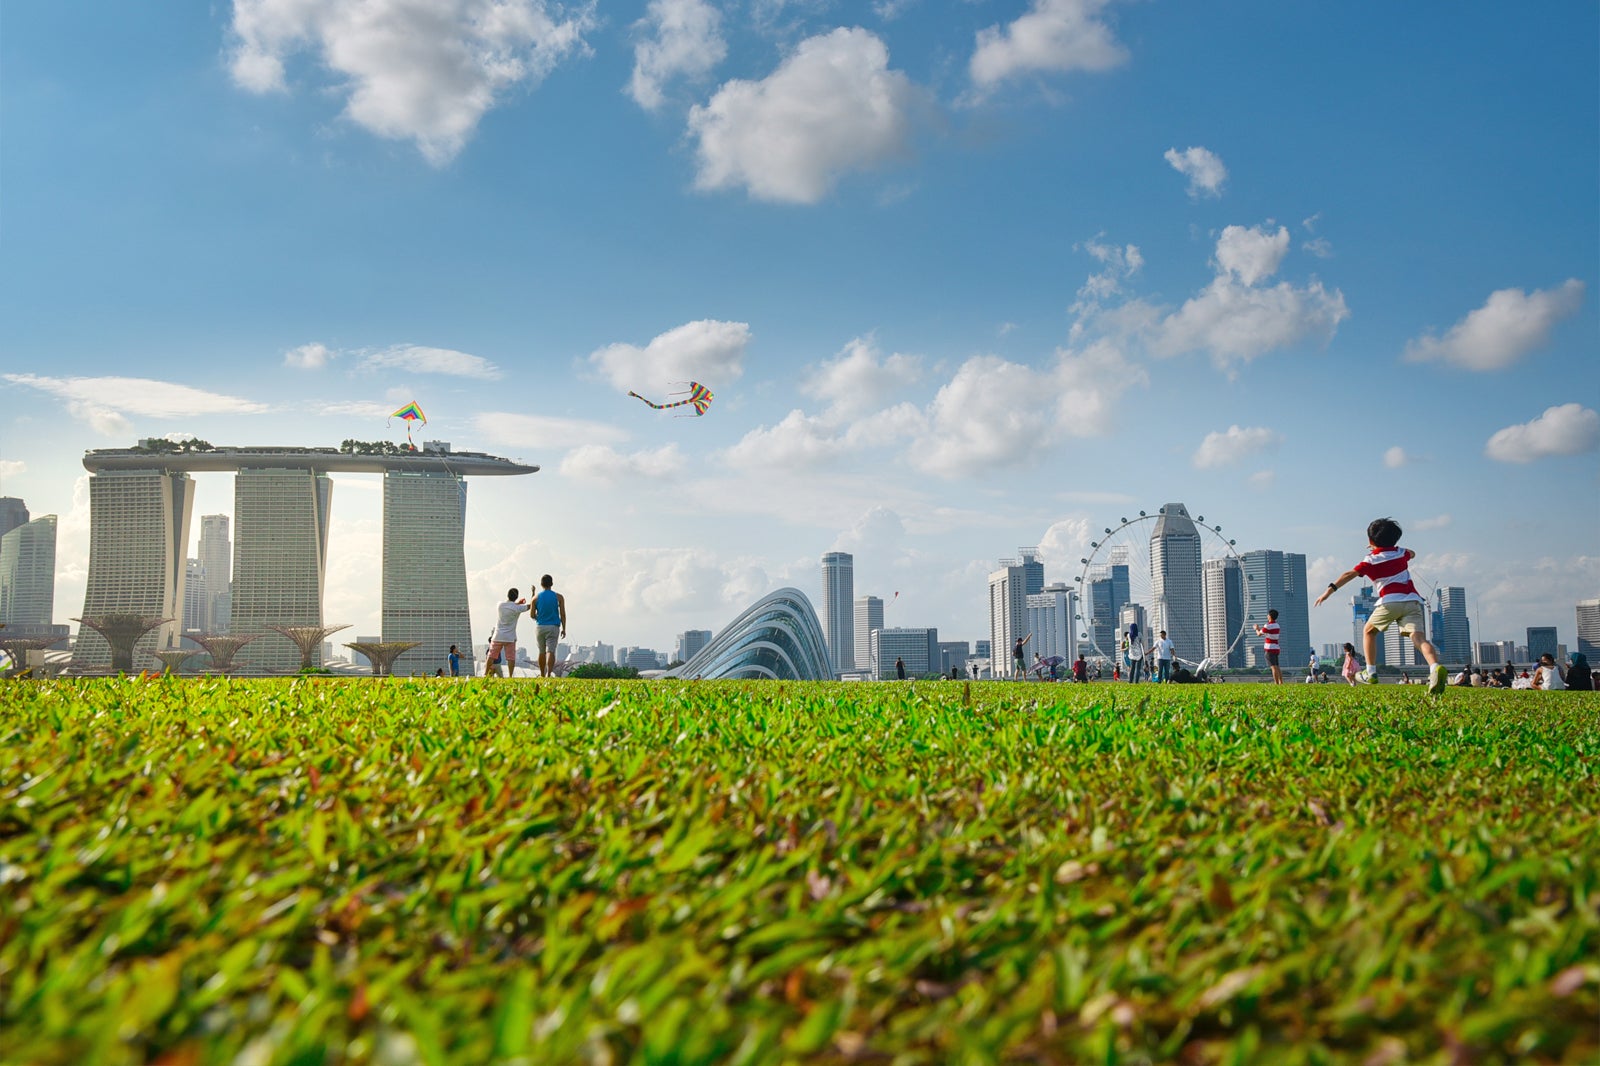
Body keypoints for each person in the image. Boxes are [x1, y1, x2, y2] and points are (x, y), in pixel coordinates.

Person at [1314, 517, 1448, 695]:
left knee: (1369, 631)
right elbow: (1412, 553)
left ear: (1370, 541)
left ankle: (1370, 672)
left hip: (1390, 601)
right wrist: (1395, 548)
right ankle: (1435, 667)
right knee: (1419, 639)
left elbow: (1349, 574)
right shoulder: (1401, 553)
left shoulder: (1371, 560)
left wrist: (1329, 590)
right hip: (1413, 601)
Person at [531, 574, 567, 678]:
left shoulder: (535, 598)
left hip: (540, 627)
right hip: (553, 627)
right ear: (552, 584)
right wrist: (564, 629)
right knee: (551, 651)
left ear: (541, 584)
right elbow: (563, 614)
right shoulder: (559, 597)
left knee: (541, 651)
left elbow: (532, 615)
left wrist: (538, 616)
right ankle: (549, 674)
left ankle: (542, 674)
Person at [488, 588, 528, 677]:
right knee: (511, 658)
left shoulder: (500, 605)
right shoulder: (518, 608)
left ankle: (485, 673)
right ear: (516, 597)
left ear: (507, 595)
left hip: (498, 636)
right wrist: (533, 594)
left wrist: (516, 603)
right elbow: (530, 606)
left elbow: (509, 605)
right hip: (510, 637)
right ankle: (510, 676)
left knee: (491, 656)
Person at [1255, 609, 1283, 684]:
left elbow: (1259, 634)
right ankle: (1281, 682)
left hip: (1269, 648)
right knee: (1277, 666)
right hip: (1276, 648)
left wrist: (1256, 629)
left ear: (1270, 616)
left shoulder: (1267, 625)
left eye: (1268, 615)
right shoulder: (1277, 625)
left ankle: (1276, 683)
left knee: (1273, 667)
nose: (1267, 616)